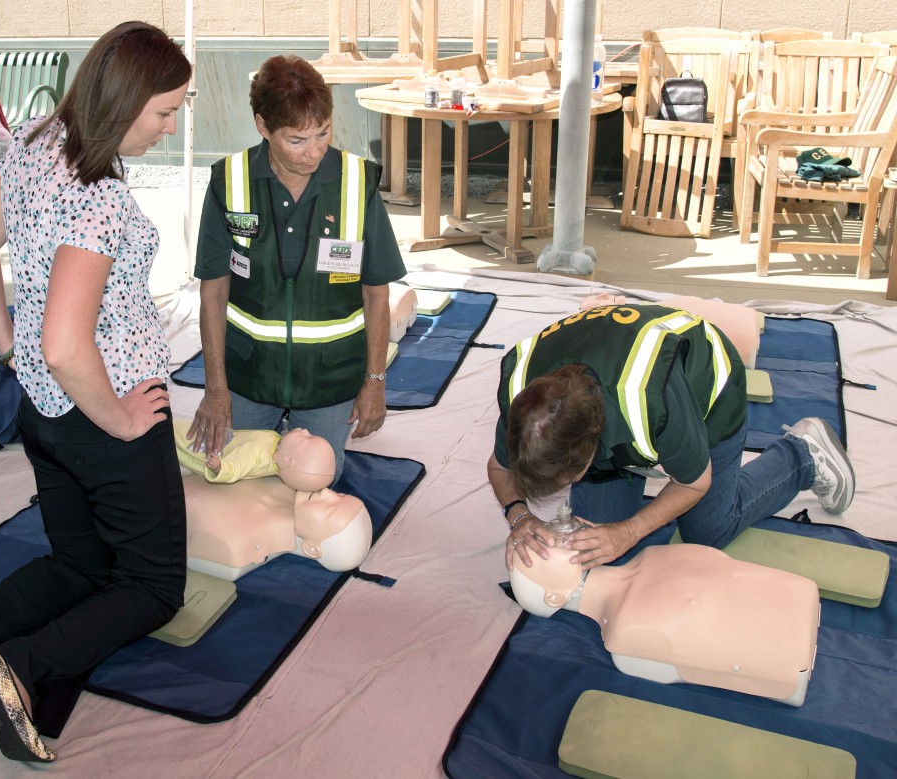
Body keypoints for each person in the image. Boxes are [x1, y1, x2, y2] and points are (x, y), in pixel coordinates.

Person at [0, 22, 192, 763]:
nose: (171, 126)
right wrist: (123, 420)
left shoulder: (37, 139)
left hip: (45, 413)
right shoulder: (97, 199)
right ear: (124, 101)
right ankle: (18, 669)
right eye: (164, 111)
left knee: (79, 566)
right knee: (153, 586)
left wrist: (10, 350)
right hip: (102, 405)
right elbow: (67, 344)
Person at [487, 303, 856, 573]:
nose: (566, 488)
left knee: (708, 531)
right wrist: (519, 516)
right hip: (609, 374)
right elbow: (498, 466)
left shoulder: (649, 399)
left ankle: (802, 455)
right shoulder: (526, 404)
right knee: (592, 543)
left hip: (708, 383)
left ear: (593, 449)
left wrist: (630, 531)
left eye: (571, 477)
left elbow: (694, 484)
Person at [189, 54, 407, 483]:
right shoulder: (228, 181)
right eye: (297, 140)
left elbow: (376, 293)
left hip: (329, 379)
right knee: (231, 475)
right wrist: (216, 390)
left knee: (315, 477)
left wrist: (374, 382)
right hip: (248, 374)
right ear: (263, 126)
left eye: (323, 133)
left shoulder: (356, 183)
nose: (315, 151)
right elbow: (212, 293)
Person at [508, 510, 820, 706]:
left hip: (790, 611)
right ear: (553, 598)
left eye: (545, 536)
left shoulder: (652, 558)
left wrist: (521, 515)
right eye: (547, 548)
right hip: (784, 643)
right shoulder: (628, 630)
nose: (554, 533)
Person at [183, 474, 373, 581]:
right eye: (340, 496)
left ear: (312, 548)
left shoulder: (237, 546)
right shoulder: (290, 484)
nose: (328, 494)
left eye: (330, 509)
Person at [173, 420, 336, 491]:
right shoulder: (277, 449)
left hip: (205, 447)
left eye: (305, 438)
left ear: (288, 460)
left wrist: (220, 467)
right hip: (224, 437)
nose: (306, 431)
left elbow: (237, 466)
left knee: (175, 434)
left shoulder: (257, 451)